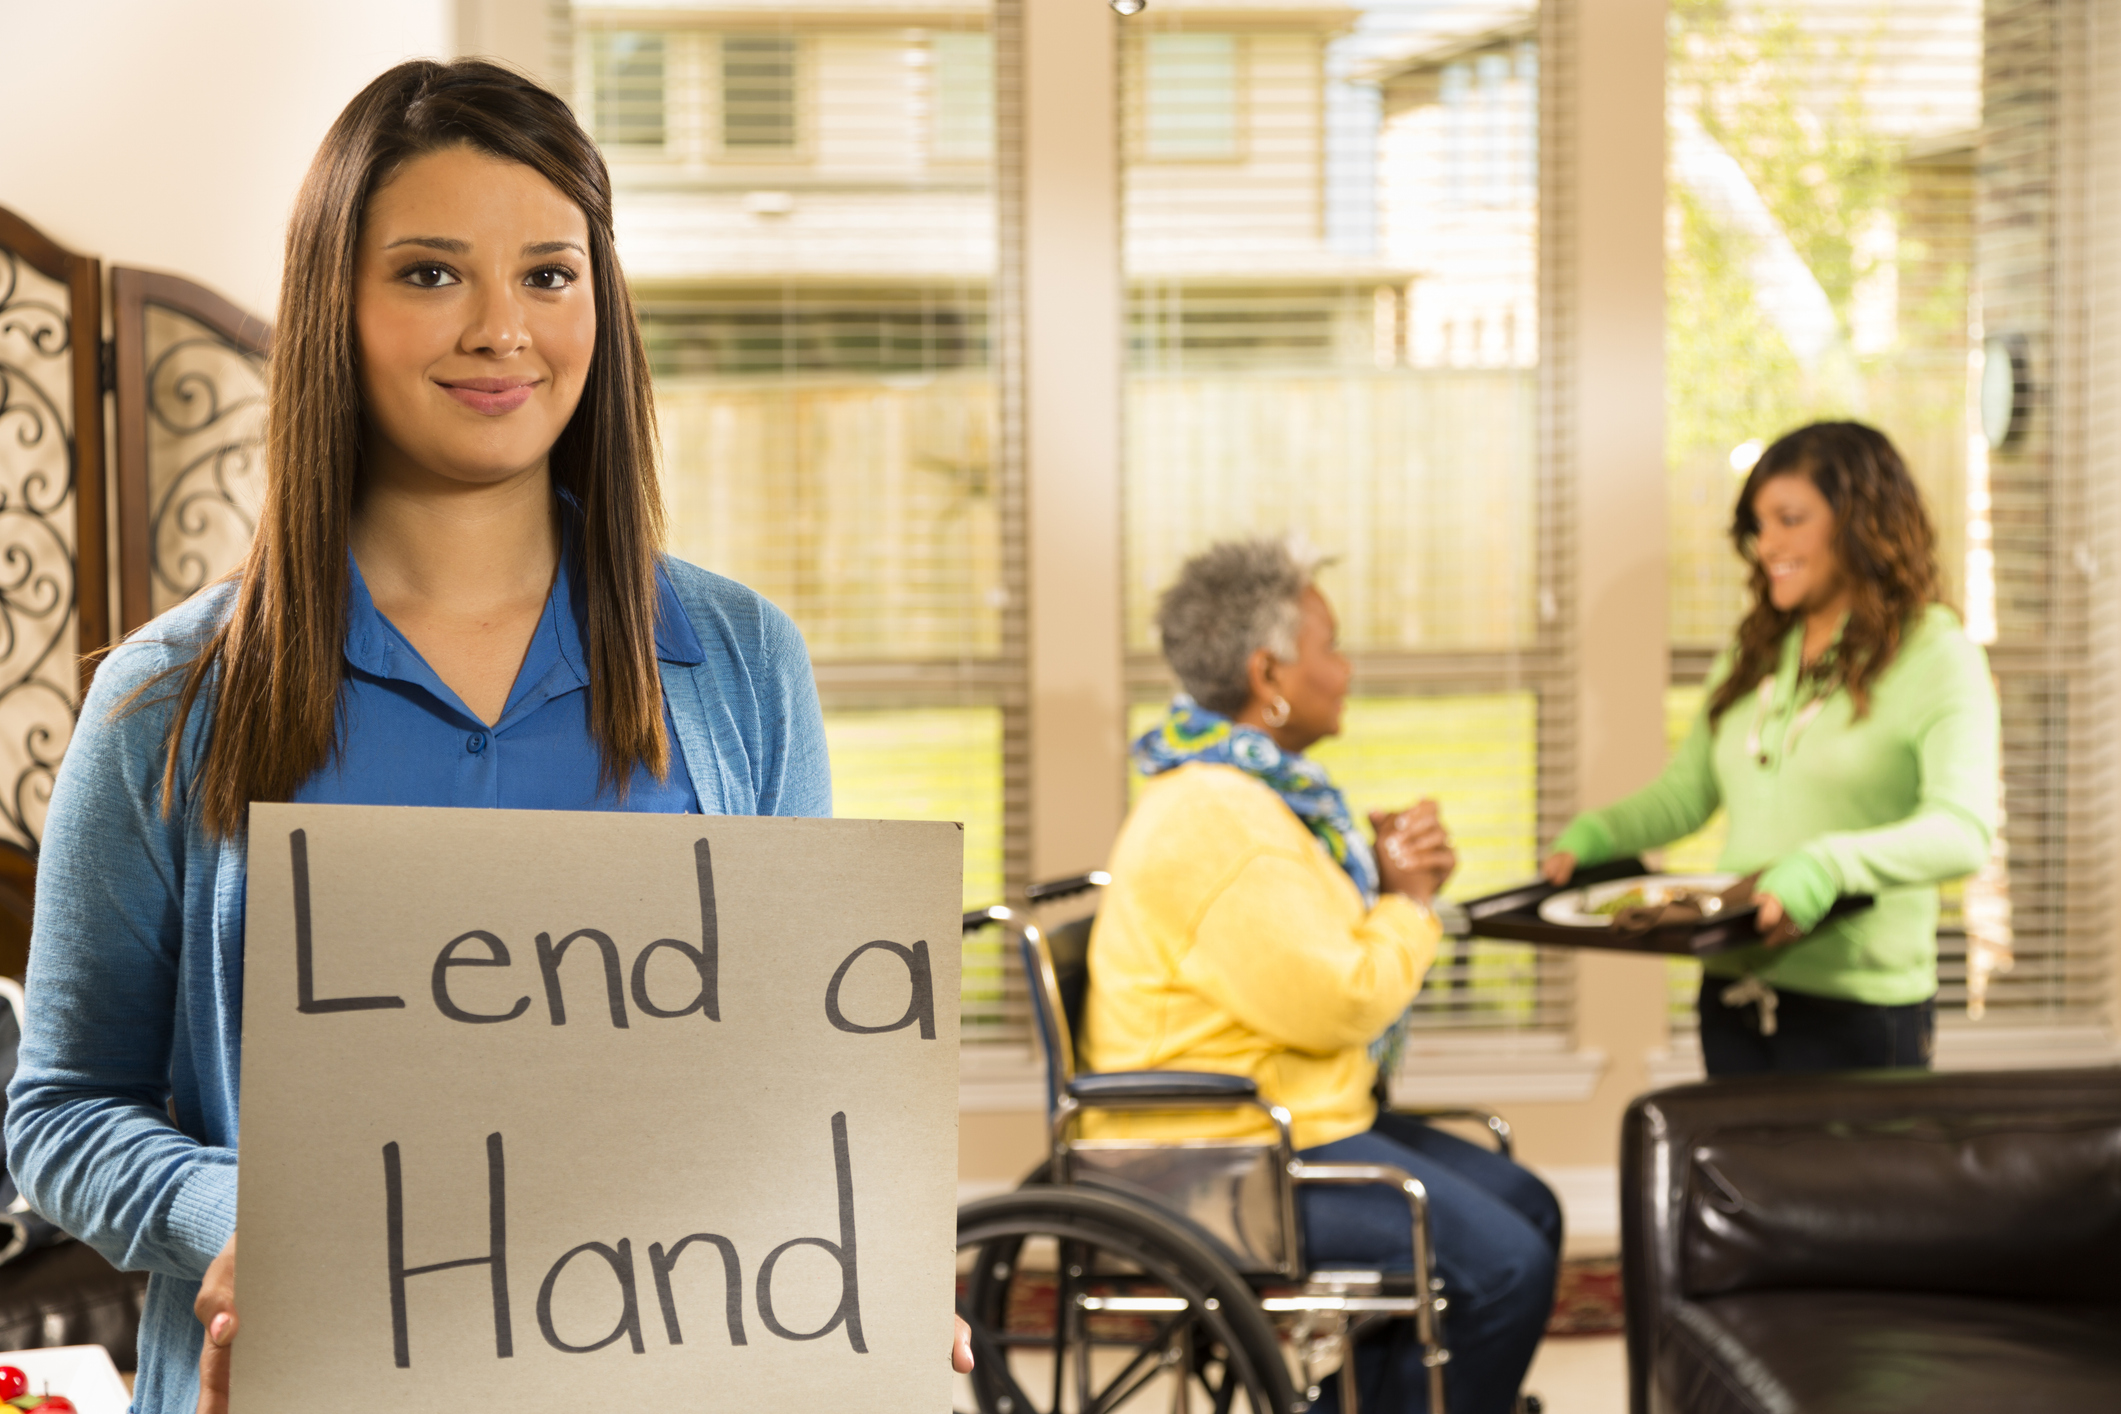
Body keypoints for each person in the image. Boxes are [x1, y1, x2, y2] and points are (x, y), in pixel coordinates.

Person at [1, 60, 975, 1414]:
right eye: (428, 273)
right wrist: (235, 1212)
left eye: (549, 274)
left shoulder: (744, 663)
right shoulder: (169, 697)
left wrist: (856, 1266)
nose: (500, 328)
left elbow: (786, 1098)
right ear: (333, 300)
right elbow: (59, 1109)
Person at [1083, 539, 1560, 1414]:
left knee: (1529, 1210)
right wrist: (1410, 904)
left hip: (1293, 1121)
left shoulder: (1257, 798)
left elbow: (1304, 950)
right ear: (1268, 672)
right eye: (1330, 646)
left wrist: (1379, 883)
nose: (1346, 670)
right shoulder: (1220, 818)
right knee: (1504, 1269)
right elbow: (1341, 1001)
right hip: (1217, 1160)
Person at [1543, 421, 2000, 1074]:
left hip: (1859, 1011)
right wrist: (1599, 832)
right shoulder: (1757, 648)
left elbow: (1961, 832)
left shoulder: (1935, 654)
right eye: (1759, 525)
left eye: (1789, 519)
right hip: (1732, 992)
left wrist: (1823, 867)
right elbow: (1688, 793)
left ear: (1862, 521)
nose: (1767, 545)